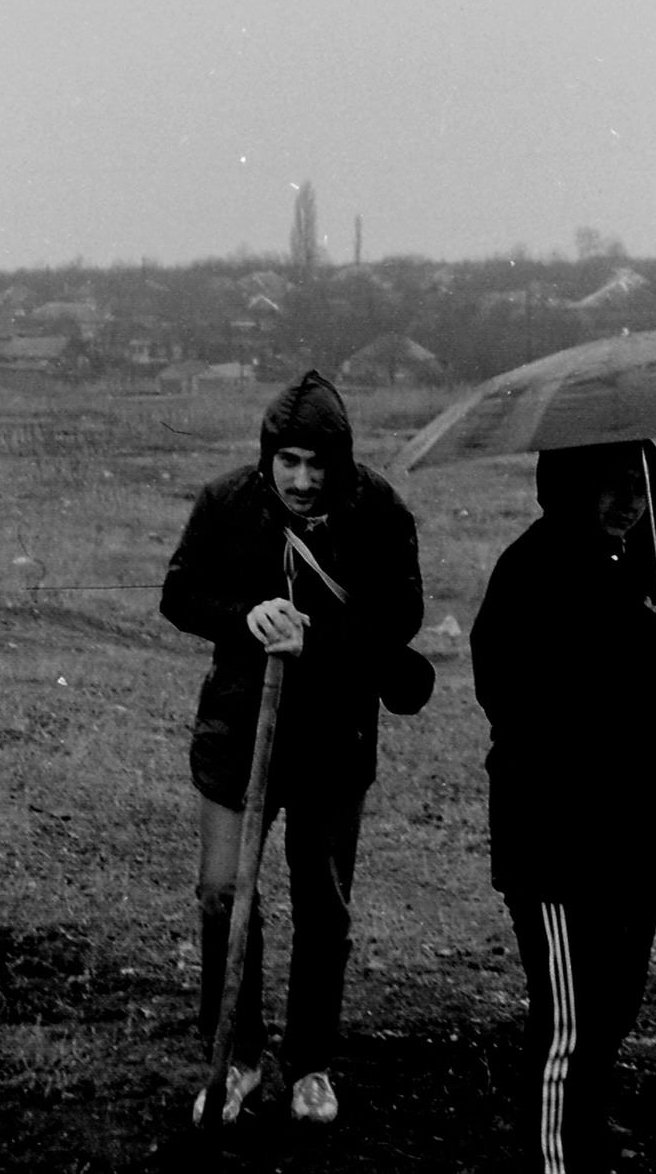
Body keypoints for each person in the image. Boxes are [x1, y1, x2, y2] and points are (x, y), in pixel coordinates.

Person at [160, 370, 425, 1127]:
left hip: (334, 737)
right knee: (222, 894)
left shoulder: (380, 510)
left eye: (318, 464)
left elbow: (401, 615)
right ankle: (236, 1057)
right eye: (289, 462)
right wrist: (245, 616)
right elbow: (179, 594)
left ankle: (311, 1063)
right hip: (237, 731)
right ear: (268, 455)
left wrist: (319, 637)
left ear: (341, 460)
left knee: (323, 902)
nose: (303, 481)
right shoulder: (225, 502)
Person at [470, 440, 656, 1174]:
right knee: (570, 1009)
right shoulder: (529, 567)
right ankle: (553, 1157)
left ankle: (583, 1122)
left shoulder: (655, 562)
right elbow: (502, 686)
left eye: (641, 486)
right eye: (611, 485)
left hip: (637, 824)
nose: (628, 502)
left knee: (618, 999)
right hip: (554, 833)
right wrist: (595, 665)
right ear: (573, 485)